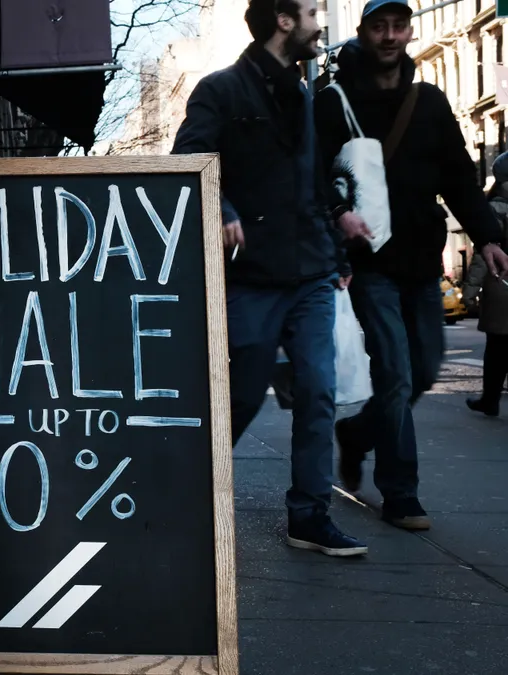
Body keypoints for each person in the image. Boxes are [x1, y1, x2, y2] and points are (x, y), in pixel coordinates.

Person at [173, 0, 367, 556]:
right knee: (238, 395)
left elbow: (309, 183)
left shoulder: (303, 94)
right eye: (310, 12)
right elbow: (188, 158)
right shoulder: (222, 89)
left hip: (311, 272)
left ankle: (310, 516)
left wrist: (338, 249)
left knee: (318, 393)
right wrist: (224, 207)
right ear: (284, 20)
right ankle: (186, 496)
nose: (319, 23)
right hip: (252, 275)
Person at [317, 0, 508, 531]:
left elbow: (458, 178)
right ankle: (401, 492)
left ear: (408, 32)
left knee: (423, 369)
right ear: (363, 32)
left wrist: (487, 237)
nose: (390, 35)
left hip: (423, 259)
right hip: (370, 261)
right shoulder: (333, 100)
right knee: (396, 371)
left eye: (399, 25)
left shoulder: (430, 101)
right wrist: (338, 215)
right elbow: (313, 173)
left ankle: (357, 434)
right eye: (380, 26)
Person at [463, 152, 508, 417]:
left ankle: (489, 399)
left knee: (497, 347)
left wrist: (468, 293)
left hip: (501, 283)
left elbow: (484, 255)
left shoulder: (494, 209)